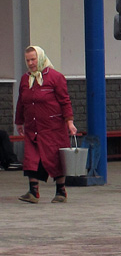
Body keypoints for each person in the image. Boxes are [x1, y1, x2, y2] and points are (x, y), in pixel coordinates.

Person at [15, 46, 77, 204]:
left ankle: (61, 191)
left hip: (53, 127)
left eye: (33, 59)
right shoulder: (25, 79)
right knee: (31, 158)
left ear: (41, 58)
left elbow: (65, 101)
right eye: (28, 60)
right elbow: (21, 102)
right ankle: (33, 191)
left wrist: (69, 122)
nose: (30, 63)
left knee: (54, 158)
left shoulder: (56, 77)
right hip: (33, 127)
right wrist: (19, 121)